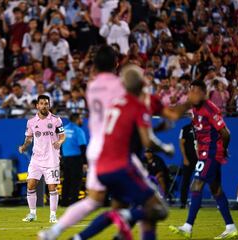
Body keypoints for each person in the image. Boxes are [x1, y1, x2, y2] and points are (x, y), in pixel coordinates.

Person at [70, 65, 174, 240]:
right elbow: (147, 140)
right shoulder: (138, 105)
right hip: (121, 166)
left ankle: (79, 238)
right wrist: (166, 148)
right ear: (142, 84)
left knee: (134, 211)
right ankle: (122, 217)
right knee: (159, 210)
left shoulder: (114, 103)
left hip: (103, 167)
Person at [38, 45, 125, 240]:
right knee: (146, 203)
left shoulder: (92, 86)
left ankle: (56, 232)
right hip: (115, 148)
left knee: (94, 200)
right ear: (117, 63)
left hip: (96, 148)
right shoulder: (120, 86)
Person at [169, 80, 238, 239]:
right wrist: (197, 146)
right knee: (216, 190)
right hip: (205, 152)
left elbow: (226, 133)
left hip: (212, 153)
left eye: (194, 92)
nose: (190, 95)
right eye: (189, 91)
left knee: (196, 184)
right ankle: (231, 227)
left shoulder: (210, 108)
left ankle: (187, 227)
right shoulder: (193, 108)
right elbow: (198, 129)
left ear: (202, 93)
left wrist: (223, 150)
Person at [18, 94, 66, 223]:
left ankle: (53, 215)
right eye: (42, 103)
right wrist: (24, 146)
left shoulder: (56, 120)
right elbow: (29, 138)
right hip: (36, 159)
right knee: (31, 185)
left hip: (52, 159)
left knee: (52, 187)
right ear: (37, 106)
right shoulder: (31, 122)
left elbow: (62, 136)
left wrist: (59, 143)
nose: (44, 106)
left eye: (46, 103)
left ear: (49, 105)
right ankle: (32, 214)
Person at [61, 113, 87, 207]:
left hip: (66, 159)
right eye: (81, 118)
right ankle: (74, 202)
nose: (82, 120)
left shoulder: (63, 129)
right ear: (77, 119)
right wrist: (85, 162)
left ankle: (64, 202)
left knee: (67, 181)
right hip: (76, 159)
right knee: (76, 182)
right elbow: (83, 147)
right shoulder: (78, 130)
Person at [179, 122, 198, 209]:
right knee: (185, 181)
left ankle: (196, 202)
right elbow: (181, 143)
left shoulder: (202, 127)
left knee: (200, 180)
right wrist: (184, 158)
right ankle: (183, 202)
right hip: (189, 159)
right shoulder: (185, 128)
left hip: (200, 159)